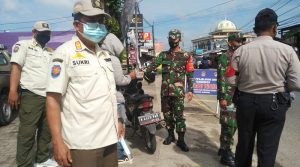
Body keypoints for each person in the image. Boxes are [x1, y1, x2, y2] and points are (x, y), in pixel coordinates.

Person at [46, 1, 122, 167]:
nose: (100, 25)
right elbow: (52, 99)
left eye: (101, 21)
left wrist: (119, 119)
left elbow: (109, 92)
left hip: (109, 138)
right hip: (83, 144)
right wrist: (58, 142)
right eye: (93, 20)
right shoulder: (64, 53)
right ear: (76, 25)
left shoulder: (104, 55)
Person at [232, 8, 300, 167]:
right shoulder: (287, 50)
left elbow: (229, 79)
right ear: (274, 27)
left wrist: (244, 83)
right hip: (274, 104)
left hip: (246, 102)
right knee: (267, 150)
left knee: (244, 146)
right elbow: (296, 83)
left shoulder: (240, 51)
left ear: (255, 29)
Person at [8, 21, 58, 167]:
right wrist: (12, 90)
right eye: (42, 32)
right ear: (34, 32)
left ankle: (42, 159)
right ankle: (23, 163)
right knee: (27, 133)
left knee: (46, 130)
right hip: (31, 94)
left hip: (48, 96)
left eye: (48, 33)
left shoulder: (50, 51)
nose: (45, 35)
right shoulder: (23, 46)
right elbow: (16, 67)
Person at [145, 29, 194, 152]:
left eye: (175, 40)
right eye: (170, 40)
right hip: (165, 92)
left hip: (178, 93)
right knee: (167, 116)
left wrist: (191, 90)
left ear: (180, 40)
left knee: (179, 117)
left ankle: (181, 140)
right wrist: (148, 72)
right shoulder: (163, 55)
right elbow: (152, 65)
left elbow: (190, 74)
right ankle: (171, 135)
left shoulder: (186, 56)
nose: (172, 42)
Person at [99, 32, 136, 163]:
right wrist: (131, 76)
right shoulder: (112, 59)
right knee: (119, 126)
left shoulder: (96, 56)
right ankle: (120, 154)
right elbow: (120, 80)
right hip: (116, 98)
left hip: (102, 99)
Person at [216, 34, 242, 167]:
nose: (238, 43)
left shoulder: (241, 56)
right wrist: (222, 97)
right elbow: (221, 78)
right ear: (229, 42)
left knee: (232, 124)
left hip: (238, 95)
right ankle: (226, 154)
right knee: (229, 124)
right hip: (228, 95)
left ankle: (223, 148)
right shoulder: (224, 57)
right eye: (236, 41)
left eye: (240, 41)